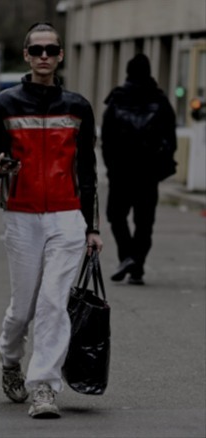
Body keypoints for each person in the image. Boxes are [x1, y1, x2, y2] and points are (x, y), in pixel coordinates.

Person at [0, 22, 103, 419]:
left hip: (66, 217)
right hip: (22, 217)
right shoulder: (4, 105)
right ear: (27, 56)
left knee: (53, 304)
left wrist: (92, 226)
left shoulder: (78, 107)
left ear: (60, 55)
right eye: (36, 50)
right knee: (24, 307)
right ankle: (9, 356)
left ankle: (43, 387)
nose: (44, 56)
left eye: (51, 50)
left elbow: (87, 170)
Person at [101, 53, 177, 286]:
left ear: (127, 72)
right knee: (144, 222)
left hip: (121, 172)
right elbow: (170, 139)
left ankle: (127, 257)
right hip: (148, 173)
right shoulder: (160, 101)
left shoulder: (116, 99)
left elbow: (106, 138)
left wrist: (111, 166)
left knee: (116, 216)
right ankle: (137, 265)